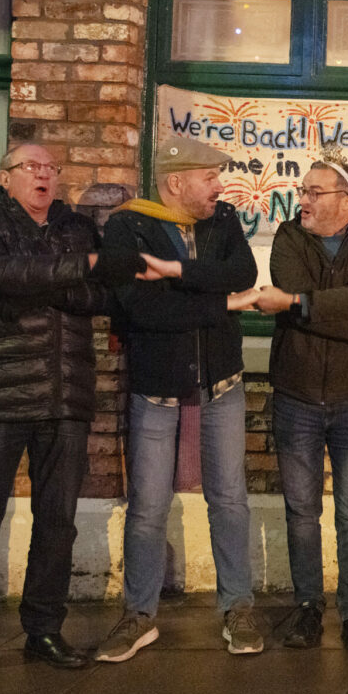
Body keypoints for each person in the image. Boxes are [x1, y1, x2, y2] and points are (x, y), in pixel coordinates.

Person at [0, 143, 151, 689]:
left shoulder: (75, 227)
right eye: (32, 168)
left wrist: (46, 279)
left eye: (51, 169)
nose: (44, 176)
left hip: (64, 396)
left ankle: (44, 629)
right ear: (5, 178)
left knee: (57, 523)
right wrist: (78, 271)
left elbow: (102, 296)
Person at [95, 136, 264, 663]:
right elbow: (144, 311)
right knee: (147, 507)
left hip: (222, 385)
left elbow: (244, 275)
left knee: (229, 500)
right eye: (209, 177)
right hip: (157, 389)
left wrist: (177, 274)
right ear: (176, 182)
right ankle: (139, 615)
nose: (219, 186)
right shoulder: (128, 226)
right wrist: (223, 306)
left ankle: (237, 607)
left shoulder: (223, 220)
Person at [253, 155, 348, 653]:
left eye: (315, 192)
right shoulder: (290, 236)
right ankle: (307, 606)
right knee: (301, 509)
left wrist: (302, 306)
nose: (304, 201)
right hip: (296, 391)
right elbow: (300, 295)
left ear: (347, 199)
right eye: (303, 191)